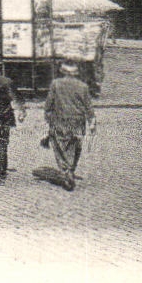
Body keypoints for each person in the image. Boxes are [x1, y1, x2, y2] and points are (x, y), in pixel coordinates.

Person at [41, 60, 96, 191]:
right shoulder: (83, 86)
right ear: (76, 73)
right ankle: (71, 169)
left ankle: (66, 172)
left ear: (63, 71)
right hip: (77, 122)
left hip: (59, 121)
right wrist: (92, 122)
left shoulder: (56, 84)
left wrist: (47, 117)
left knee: (60, 147)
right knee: (75, 146)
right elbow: (89, 107)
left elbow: (49, 103)